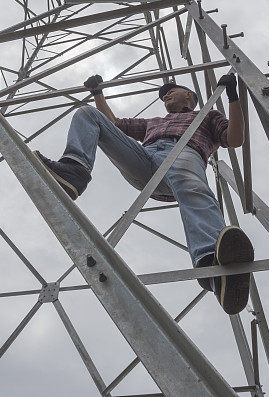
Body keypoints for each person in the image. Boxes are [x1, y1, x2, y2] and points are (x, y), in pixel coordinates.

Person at [35, 74, 254, 314]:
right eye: (163, 94)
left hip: (184, 154)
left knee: (193, 188)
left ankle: (213, 264)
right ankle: (74, 171)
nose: (166, 95)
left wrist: (232, 96)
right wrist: (98, 93)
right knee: (87, 114)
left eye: (172, 91)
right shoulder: (154, 122)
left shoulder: (207, 116)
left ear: (189, 96)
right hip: (145, 160)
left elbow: (234, 139)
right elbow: (114, 125)